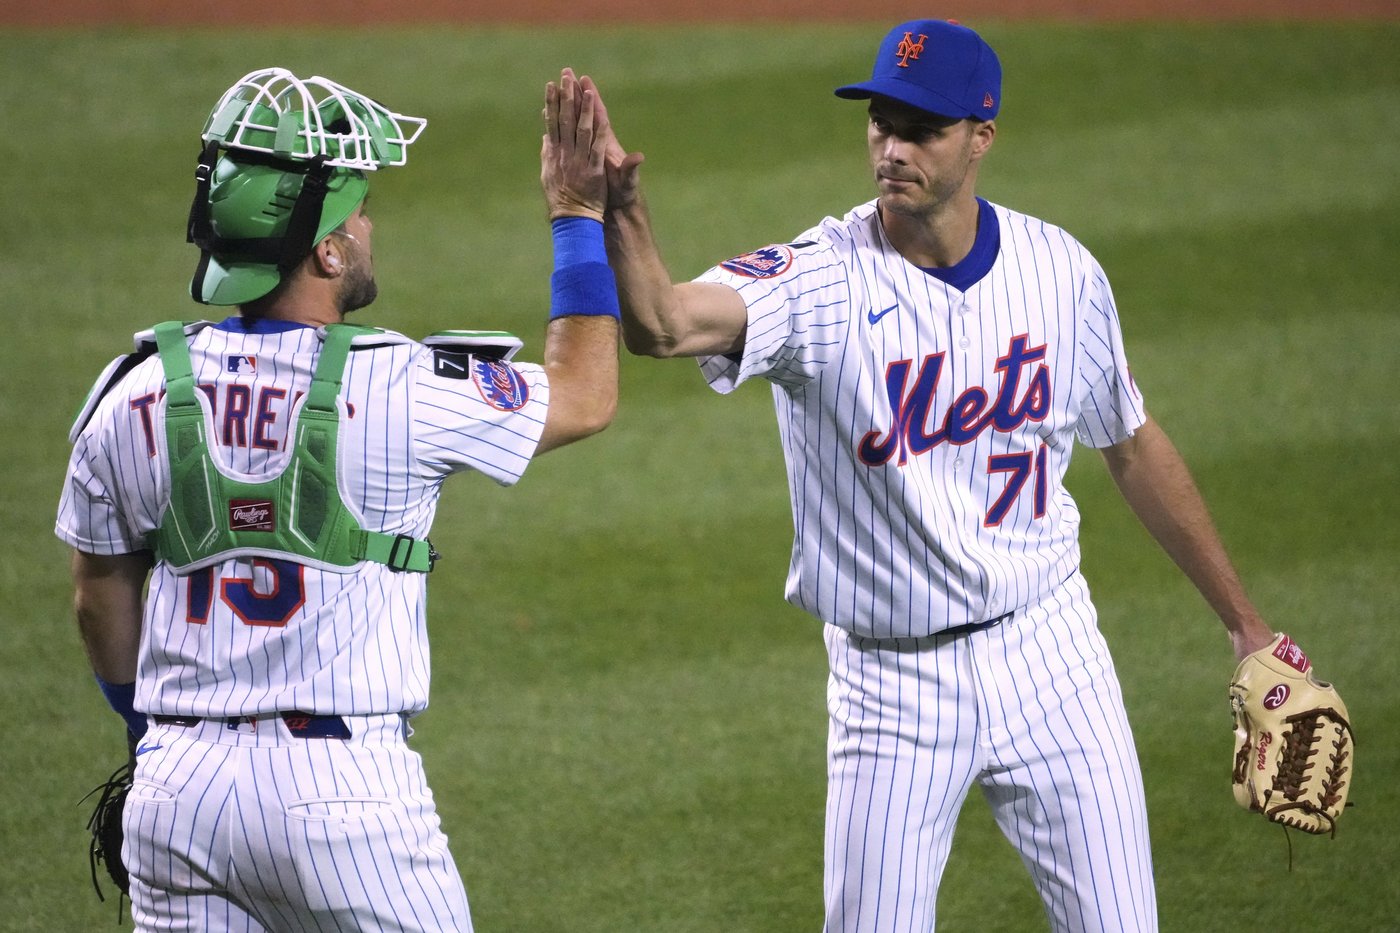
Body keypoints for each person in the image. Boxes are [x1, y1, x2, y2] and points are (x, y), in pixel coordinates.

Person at [585, 20, 1278, 933]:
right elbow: (666, 326)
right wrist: (623, 216)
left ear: (981, 134)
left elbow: (1132, 443)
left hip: (1052, 655)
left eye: (922, 129)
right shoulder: (820, 279)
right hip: (892, 684)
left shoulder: (1061, 274)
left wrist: (1245, 623)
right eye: (881, 123)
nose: (892, 148)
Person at [56, 66, 619, 931]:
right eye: (357, 211)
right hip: (341, 798)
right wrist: (578, 217)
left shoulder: (128, 392)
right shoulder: (398, 387)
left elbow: (99, 596)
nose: (366, 226)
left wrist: (152, 737)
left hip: (174, 794)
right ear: (326, 251)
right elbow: (584, 392)